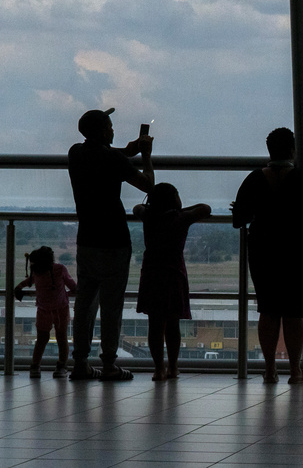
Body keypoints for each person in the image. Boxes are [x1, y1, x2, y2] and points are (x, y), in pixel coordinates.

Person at [232, 127, 303, 385]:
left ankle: (270, 370)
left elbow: (240, 219)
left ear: (269, 150)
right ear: (292, 149)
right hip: (297, 250)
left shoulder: (254, 180)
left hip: (263, 252)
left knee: (267, 309)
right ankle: (295, 370)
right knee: (294, 310)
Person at [68, 107, 154, 381]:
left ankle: (80, 363)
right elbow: (148, 186)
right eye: (110, 126)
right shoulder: (113, 159)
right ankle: (108, 364)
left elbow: (105, 153)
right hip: (114, 240)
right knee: (112, 306)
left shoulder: (76, 153)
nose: (113, 130)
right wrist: (146, 157)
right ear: (105, 131)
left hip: (87, 240)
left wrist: (127, 151)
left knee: (84, 305)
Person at [134, 183, 212, 381]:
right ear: (173, 200)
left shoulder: (149, 217)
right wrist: (178, 210)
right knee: (172, 323)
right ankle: (173, 366)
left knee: (155, 323)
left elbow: (137, 208)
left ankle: (158, 368)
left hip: (152, 273)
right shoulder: (180, 218)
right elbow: (205, 208)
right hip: (173, 273)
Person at [13, 246, 77, 378]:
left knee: (41, 339)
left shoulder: (36, 271)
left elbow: (30, 281)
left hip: (42, 310)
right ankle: (61, 366)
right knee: (61, 338)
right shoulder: (60, 269)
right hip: (61, 309)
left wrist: (19, 286)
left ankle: (35, 366)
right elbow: (73, 286)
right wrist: (66, 294)